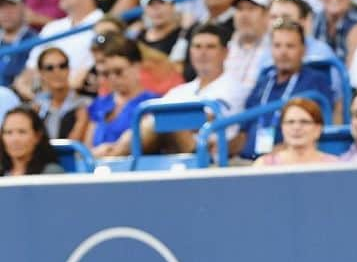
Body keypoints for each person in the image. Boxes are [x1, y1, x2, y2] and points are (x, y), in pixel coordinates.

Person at [138, 22, 242, 156]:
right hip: (171, 153)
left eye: (210, 47)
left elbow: (207, 119)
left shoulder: (234, 88)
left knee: (163, 122)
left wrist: (166, 121)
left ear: (225, 52)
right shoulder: (179, 91)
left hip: (210, 156)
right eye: (197, 47)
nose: (202, 53)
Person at [239, 19, 334, 160]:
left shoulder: (315, 81)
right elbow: (244, 130)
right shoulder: (264, 80)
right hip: (245, 161)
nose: (283, 52)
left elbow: (312, 131)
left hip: (285, 163)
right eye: (277, 46)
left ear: (303, 50)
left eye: (290, 46)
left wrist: (272, 158)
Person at [18, 0, 103, 98]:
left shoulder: (103, 26)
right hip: (40, 99)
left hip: (80, 100)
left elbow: (81, 79)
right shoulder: (52, 27)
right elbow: (29, 72)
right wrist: (26, 89)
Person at [86, 36, 157, 158]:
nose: (113, 79)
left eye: (119, 72)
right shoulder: (100, 103)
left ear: (136, 66)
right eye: (106, 73)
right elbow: (86, 150)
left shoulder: (151, 104)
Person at [251, 96, 339, 168]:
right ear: (282, 127)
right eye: (290, 122)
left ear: (318, 128)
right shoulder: (263, 166)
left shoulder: (335, 166)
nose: (296, 127)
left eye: (304, 122)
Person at [32, 46, 89, 141]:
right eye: (50, 68)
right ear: (41, 73)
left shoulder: (85, 105)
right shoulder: (37, 107)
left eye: (62, 66)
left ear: (69, 69)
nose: (57, 72)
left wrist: (82, 121)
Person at [0, 107, 63, 176]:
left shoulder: (51, 172)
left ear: (37, 136)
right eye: (9, 132)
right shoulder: (3, 173)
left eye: (22, 132)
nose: (15, 139)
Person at [0, 0, 34, 91]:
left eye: (11, 5)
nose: (6, 12)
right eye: (1, 6)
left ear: (24, 8)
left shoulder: (35, 41)